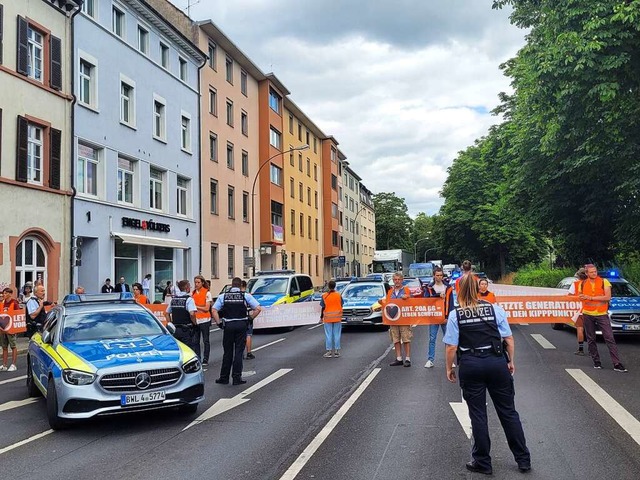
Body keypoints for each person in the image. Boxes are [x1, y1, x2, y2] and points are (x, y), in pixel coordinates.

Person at [443, 274, 531, 475]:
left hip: (471, 365)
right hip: (496, 362)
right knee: (508, 412)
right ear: (477, 289)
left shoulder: (456, 315)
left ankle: (483, 462)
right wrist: (510, 361)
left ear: (459, 292)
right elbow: (508, 339)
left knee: (478, 415)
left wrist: (450, 368)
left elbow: (451, 347)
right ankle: (523, 459)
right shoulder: (495, 309)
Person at [212, 277, 261, 385]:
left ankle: (224, 378)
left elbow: (214, 310)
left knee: (227, 352)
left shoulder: (223, 296)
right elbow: (258, 308)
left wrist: (218, 323)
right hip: (241, 325)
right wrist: (250, 318)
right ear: (240, 286)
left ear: (231, 285)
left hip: (228, 326)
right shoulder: (245, 296)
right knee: (239, 352)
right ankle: (236, 378)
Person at [578, 264, 627, 372]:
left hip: (601, 314)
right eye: (591, 272)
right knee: (591, 339)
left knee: (609, 338)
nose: (594, 273)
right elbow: (580, 297)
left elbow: (607, 297)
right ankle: (596, 362)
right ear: (586, 273)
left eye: (595, 271)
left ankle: (617, 363)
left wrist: (590, 298)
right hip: (587, 314)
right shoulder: (582, 284)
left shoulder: (604, 282)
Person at [423, 266, 455, 368]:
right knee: (432, 338)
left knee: (448, 339)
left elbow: (451, 303)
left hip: (445, 317)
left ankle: (450, 360)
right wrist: (437, 296)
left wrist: (449, 316)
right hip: (433, 317)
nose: (439, 277)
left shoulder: (448, 287)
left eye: (441, 275)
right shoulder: (429, 287)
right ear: (434, 276)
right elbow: (426, 300)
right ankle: (430, 359)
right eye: (437, 275)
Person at [382, 272, 412, 367]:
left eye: (399, 279)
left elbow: (411, 301)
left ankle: (407, 358)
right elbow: (387, 302)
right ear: (393, 280)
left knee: (406, 338)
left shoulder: (406, 290)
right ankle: (398, 358)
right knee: (395, 338)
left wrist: (407, 297)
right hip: (393, 318)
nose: (397, 281)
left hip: (404, 319)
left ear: (402, 280)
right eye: (395, 280)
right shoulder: (390, 291)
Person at [166, 280, 198, 352]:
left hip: (176, 329)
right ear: (186, 287)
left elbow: (167, 313)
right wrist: (195, 324)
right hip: (186, 329)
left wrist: (170, 324)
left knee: (179, 350)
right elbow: (192, 313)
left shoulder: (174, 300)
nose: (190, 287)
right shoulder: (189, 299)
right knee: (188, 351)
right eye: (189, 286)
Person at [320, 280, 344, 358]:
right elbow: (341, 304)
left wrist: (321, 317)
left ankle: (329, 351)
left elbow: (323, 307)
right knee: (337, 334)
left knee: (328, 334)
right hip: (337, 317)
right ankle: (337, 351)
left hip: (327, 318)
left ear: (328, 286)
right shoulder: (338, 295)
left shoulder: (324, 296)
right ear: (335, 286)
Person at [192, 275, 212, 366]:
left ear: (202, 283)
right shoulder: (193, 293)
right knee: (195, 341)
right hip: (196, 320)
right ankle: (198, 358)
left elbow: (207, 308)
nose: (196, 284)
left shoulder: (207, 293)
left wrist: (196, 307)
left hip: (205, 319)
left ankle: (205, 359)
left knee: (205, 340)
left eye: (198, 282)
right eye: (195, 282)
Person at [568, 268, 588, 355]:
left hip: (579, 310)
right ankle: (592, 349)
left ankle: (581, 349)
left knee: (580, 328)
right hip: (591, 310)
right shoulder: (591, 284)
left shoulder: (575, 284)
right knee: (590, 330)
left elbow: (569, 296)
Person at [1, 288, 20, 372]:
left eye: (5, 293)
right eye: (3, 293)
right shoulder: (2, 303)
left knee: (13, 346)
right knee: (4, 346)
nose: (3, 295)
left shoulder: (14, 303)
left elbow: (18, 314)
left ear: (10, 294)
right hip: (3, 328)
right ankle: (4, 364)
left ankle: (13, 364)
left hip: (11, 328)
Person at [241, 280, 256, 360]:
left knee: (239, 336)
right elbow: (257, 308)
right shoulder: (248, 296)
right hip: (247, 317)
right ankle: (249, 352)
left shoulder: (235, 296)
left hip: (238, 318)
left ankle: (240, 353)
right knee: (248, 335)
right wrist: (252, 317)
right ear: (245, 286)